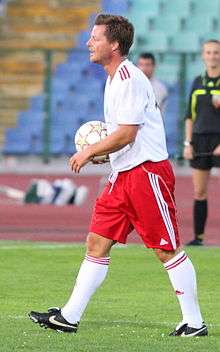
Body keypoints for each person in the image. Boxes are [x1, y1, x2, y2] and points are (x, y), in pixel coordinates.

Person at [29, 14, 207, 337]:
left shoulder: (128, 78)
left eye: (95, 38)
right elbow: (124, 138)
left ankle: (194, 322)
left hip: (146, 173)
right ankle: (68, 317)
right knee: (96, 242)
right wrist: (104, 155)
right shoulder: (114, 79)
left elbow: (127, 133)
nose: (89, 43)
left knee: (166, 249)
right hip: (123, 174)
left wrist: (88, 150)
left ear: (113, 45)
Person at [183, 39, 220, 246]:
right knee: (199, 192)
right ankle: (199, 238)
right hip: (199, 141)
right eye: (209, 52)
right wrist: (188, 143)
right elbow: (189, 115)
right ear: (203, 56)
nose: (212, 56)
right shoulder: (197, 81)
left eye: (216, 52)